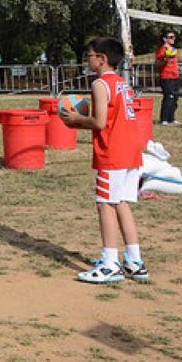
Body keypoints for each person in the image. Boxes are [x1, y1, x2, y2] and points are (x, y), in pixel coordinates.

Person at [60, 37, 149, 284]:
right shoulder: (122, 83)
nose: (86, 59)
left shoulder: (101, 84)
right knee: (122, 203)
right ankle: (134, 261)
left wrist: (76, 119)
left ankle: (110, 264)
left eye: (89, 55)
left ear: (102, 58)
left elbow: (99, 122)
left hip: (112, 153)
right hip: (131, 153)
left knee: (105, 205)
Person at [155, 30, 182, 125]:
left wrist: (180, 69)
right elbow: (157, 64)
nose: (173, 39)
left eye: (174, 37)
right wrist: (166, 59)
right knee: (169, 97)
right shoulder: (162, 50)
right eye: (171, 37)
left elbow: (173, 62)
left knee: (175, 98)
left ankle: (171, 118)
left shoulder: (172, 49)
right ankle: (164, 119)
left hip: (175, 76)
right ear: (165, 39)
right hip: (166, 77)